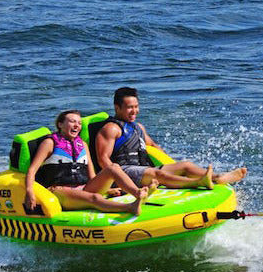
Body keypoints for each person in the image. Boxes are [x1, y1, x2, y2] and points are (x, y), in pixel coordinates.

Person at [95, 86, 247, 191]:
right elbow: (103, 160)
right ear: (117, 107)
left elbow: (153, 146)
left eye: (136, 106)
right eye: (129, 107)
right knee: (158, 175)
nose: (134, 111)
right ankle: (197, 182)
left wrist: (169, 165)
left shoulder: (138, 127)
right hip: (123, 173)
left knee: (185, 166)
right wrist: (121, 181)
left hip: (143, 170)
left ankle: (217, 177)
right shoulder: (111, 129)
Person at [25, 109, 149, 215]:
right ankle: (129, 207)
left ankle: (137, 193)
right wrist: (30, 191)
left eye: (79, 123)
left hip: (83, 188)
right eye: (72, 122)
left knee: (114, 167)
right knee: (95, 197)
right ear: (60, 124)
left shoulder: (82, 144)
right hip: (59, 191)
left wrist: (106, 189)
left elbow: (92, 176)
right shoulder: (49, 143)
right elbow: (32, 170)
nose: (76, 125)